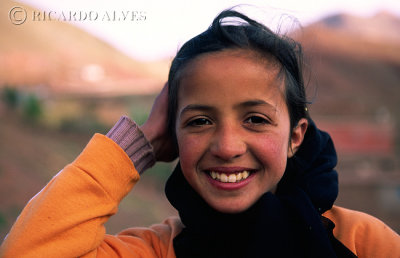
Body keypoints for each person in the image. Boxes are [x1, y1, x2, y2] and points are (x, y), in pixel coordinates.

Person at [1, 9, 399, 258]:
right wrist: (138, 145)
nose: (226, 147)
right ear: (171, 137)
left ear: (296, 137)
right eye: (199, 121)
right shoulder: (154, 251)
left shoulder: (360, 242)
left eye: (256, 120)